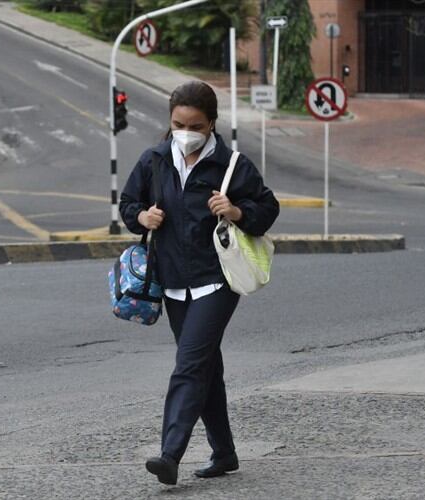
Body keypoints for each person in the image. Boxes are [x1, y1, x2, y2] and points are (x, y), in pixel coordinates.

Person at [119, 81, 279, 485]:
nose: (185, 132)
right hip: (172, 282)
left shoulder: (231, 166)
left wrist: (237, 211)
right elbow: (128, 204)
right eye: (177, 123)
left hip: (216, 280)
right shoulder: (154, 160)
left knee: (189, 364)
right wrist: (142, 218)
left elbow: (267, 207)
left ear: (211, 124)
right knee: (206, 366)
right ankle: (224, 453)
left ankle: (170, 454)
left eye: (194, 125)